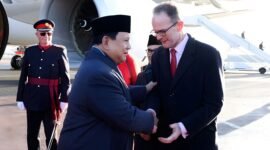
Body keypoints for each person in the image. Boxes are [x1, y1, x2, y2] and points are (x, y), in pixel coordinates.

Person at [58, 15, 157, 150]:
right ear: (106, 42)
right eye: (126, 41)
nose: (129, 46)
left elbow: (114, 94)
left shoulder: (99, 64)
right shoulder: (97, 73)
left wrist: (145, 89)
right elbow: (125, 115)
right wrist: (151, 118)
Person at [147, 3, 224, 150]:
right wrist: (151, 112)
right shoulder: (158, 56)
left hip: (198, 141)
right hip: (165, 141)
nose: (158, 37)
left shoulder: (208, 55)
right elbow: (156, 90)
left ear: (180, 25)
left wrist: (183, 126)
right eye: (155, 32)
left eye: (162, 32)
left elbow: (214, 104)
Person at [16, 19, 71, 150]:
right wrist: (20, 98)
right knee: (32, 135)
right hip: (32, 99)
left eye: (49, 33)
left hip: (51, 101)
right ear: (37, 34)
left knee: (51, 136)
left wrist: (64, 99)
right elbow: (23, 76)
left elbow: (65, 78)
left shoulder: (59, 51)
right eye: (42, 34)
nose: (46, 36)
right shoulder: (30, 51)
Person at [134, 34, 161, 150]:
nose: (151, 53)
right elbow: (137, 104)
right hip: (145, 134)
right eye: (149, 50)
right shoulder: (142, 75)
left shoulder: (170, 73)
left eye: (155, 51)